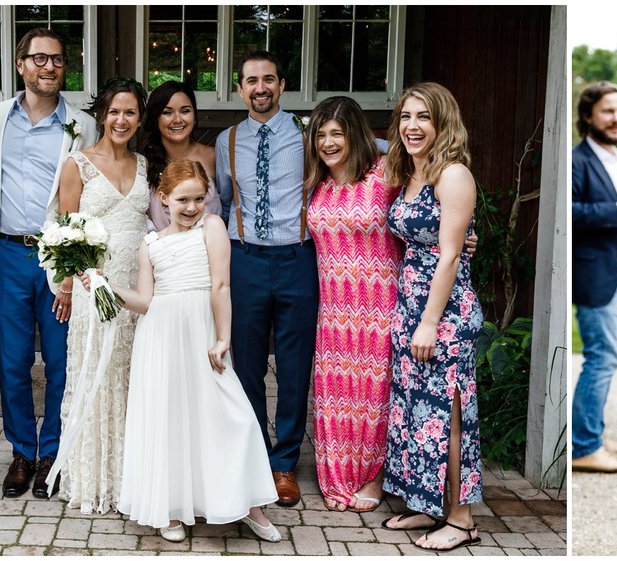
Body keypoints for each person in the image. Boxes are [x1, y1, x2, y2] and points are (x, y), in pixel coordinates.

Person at [102, 160, 285, 544]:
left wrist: (223, 338)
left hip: (202, 332)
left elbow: (221, 285)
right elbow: (145, 301)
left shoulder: (212, 227)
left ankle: (250, 504)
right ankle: (168, 507)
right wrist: (108, 286)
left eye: (199, 199)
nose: (190, 207)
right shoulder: (149, 244)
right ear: (163, 199)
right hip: (161, 334)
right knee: (168, 416)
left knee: (229, 414)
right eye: (182, 199)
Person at [0, 28, 98, 498]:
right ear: (20, 65)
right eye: (38, 59)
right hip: (9, 253)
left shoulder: (82, 125)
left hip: (59, 258)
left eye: (55, 59)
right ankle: (21, 452)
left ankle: (52, 452)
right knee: (11, 361)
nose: (47, 67)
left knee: (59, 361)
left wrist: (76, 265)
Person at [376, 82, 487, 552]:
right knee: (417, 413)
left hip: (444, 314)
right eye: (406, 117)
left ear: (443, 123)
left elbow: (448, 257)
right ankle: (426, 503)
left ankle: (460, 520)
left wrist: (428, 322)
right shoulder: (412, 174)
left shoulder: (452, 174)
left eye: (424, 117)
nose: (412, 126)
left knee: (450, 415)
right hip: (412, 305)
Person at [210, 51, 320, 505]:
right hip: (245, 261)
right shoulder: (226, 140)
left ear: (281, 85)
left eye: (268, 80)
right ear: (240, 88)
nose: (260, 88)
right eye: (251, 81)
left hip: (297, 259)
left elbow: (366, 150)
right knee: (247, 363)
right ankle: (257, 454)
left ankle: (285, 463)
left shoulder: (308, 133)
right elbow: (220, 197)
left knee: (294, 367)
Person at [41, 78, 154, 514]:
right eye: (114, 112)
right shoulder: (78, 164)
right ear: (101, 116)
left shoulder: (145, 165)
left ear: (139, 118)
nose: (121, 120)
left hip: (136, 294)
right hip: (95, 290)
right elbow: (65, 232)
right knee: (97, 376)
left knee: (131, 381)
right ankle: (95, 479)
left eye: (130, 112)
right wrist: (69, 286)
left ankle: (133, 478)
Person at [301, 95, 400, 513]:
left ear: (355, 135)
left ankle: (374, 477)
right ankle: (339, 474)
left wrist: (462, 237)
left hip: (380, 305)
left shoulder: (385, 174)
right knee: (337, 395)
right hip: (335, 310)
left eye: (337, 134)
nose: (328, 142)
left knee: (376, 395)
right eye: (321, 135)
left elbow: (430, 206)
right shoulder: (317, 184)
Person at [570, 81, 617, 473]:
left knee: (608, 359)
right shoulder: (578, 160)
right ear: (588, 116)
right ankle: (584, 447)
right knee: (601, 358)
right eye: (608, 111)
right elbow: (570, 212)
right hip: (599, 274)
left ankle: (593, 434)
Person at [137, 80, 214, 232]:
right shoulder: (144, 163)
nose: (177, 119)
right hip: (161, 252)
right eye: (167, 112)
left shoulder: (213, 157)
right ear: (155, 118)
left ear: (194, 114)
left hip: (209, 250)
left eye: (185, 111)